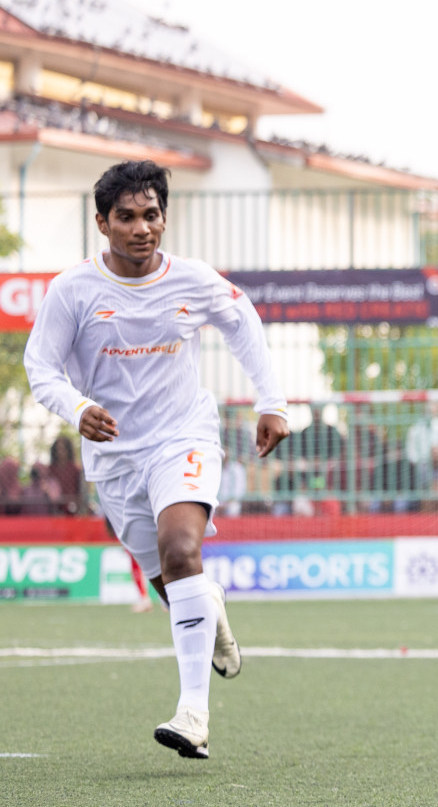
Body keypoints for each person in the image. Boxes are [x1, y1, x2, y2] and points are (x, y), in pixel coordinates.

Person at [23, 160, 289, 760]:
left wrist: (272, 402)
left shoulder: (193, 280)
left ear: (164, 218)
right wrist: (76, 406)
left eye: (151, 215)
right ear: (102, 222)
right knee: (170, 578)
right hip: (115, 458)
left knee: (181, 549)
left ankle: (193, 713)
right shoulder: (74, 290)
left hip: (183, 437)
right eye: (126, 217)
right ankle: (208, 604)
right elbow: (41, 367)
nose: (141, 228)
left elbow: (242, 321)